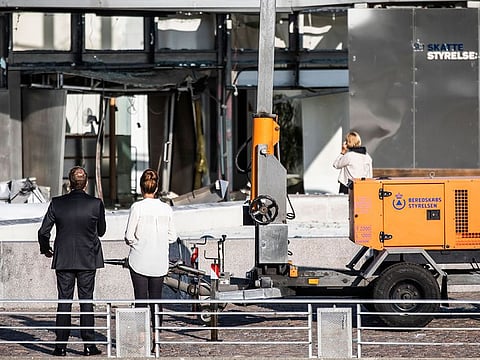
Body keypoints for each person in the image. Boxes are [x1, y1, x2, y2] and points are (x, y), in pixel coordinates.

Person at [38, 166, 106, 357]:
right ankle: (88, 345)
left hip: (64, 258)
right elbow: (101, 231)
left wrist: (46, 249)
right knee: (86, 301)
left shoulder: (57, 203)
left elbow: (43, 231)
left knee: (64, 302)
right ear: (85, 183)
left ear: (69, 183)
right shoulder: (95, 203)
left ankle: (60, 347)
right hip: (88, 258)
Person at [124, 168, 177, 346]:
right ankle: (157, 336)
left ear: (141, 187)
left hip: (139, 258)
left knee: (140, 299)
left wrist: (136, 242)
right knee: (156, 298)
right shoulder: (166, 208)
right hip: (159, 260)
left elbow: (129, 235)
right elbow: (173, 236)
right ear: (156, 188)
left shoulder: (136, 207)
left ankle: (141, 338)